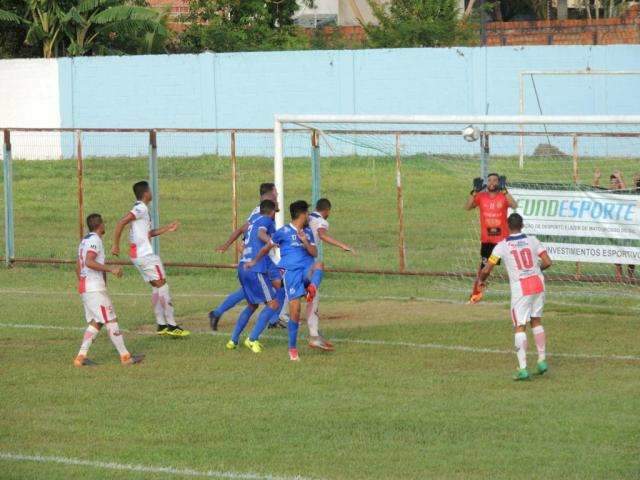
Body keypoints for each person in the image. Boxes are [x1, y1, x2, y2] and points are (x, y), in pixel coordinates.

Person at [479, 213, 552, 381]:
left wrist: (481, 281)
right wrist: (536, 271)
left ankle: (523, 369)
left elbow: (487, 268)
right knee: (536, 320)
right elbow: (548, 262)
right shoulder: (533, 240)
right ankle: (541, 361)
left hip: (521, 287)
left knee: (520, 326)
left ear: (507, 226)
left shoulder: (502, 246)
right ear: (523, 225)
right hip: (538, 283)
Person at [111, 181, 189, 337]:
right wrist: (115, 245)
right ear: (146, 193)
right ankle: (172, 326)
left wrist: (167, 228)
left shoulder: (142, 210)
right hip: (145, 255)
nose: (152, 193)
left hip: (138, 255)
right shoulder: (140, 208)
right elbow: (121, 222)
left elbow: (148, 233)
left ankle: (161, 325)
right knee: (163, 285)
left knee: (156, 286)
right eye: (150, 190)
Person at [247, 200, 323, 361]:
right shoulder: (283, 232)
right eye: (307, 213)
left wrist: (304, 242)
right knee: (295, 312)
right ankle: (292, 348)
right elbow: (267, 246)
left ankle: (312, 288)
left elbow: (314, 252)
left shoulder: (307, 232)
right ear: (302, 214)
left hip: (307, 270)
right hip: (291, 273)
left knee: (319, 264)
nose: (309, 215)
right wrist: (254, 261)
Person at [210, 182, 286, 330]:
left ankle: (217, 313)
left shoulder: (260, 211)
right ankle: (272, 320)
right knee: (281, 287)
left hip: (255, 257)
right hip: (261, 258)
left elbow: (245, 230)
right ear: (269, 194)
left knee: (248, 293)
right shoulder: (262, 212)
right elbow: (252, 233)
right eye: (276, 192)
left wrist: (229, 245)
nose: (277, 195)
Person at [74, 213, 144, 367]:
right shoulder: (95, 240)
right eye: (104, 223)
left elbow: (78, 266)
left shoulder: (84, 241)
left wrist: (84, 283)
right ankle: (125, 357)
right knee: (111, 320)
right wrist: (110, 269)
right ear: (100, 225)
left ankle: (80, 357)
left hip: (87, 288)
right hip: (93, 289)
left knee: (97, 322)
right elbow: (89, 261)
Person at [226, 200, 282, 352]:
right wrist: (273, 242)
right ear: (271, 211)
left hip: (243, 267)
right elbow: (261, 233)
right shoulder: (266, 220)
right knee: (273, 304)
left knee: (252, 305)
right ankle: (252, 339)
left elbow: (243, 235)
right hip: (255, 269)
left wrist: (226, 245)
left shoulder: (253, 220)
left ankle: (233, 340)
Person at [306, 198, 355, 351]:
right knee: (313, 297)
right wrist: (343, 246)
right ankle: (313, 336)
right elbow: (321, 234)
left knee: (286, 296)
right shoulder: (322, 221)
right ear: (327, 211)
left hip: (292, 260)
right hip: (307, 261)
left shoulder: (305, 217)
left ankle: (314, 334)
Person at [465, 173, 518, 303]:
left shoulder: (503, 196)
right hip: (488, 241)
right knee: (484, 270)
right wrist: (474, 192)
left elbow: (514, 205)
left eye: (495, 180)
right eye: (489, 180)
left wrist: (505, 191)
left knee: (514, 266)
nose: (492, 182)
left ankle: (521, 292)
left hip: (503, 242)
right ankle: (475, 296)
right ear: (486, 183)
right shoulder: (481, 197)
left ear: (499, 182)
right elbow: (467, 207)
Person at [593, 168, 635, 280]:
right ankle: (619, 275)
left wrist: (620, 178)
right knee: (616, 251)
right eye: (611, 183)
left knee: (630, 251)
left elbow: (626, 191)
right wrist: (596, 179)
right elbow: (595, 193)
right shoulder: (608, 194)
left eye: (615, 182)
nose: (613, 185)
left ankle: (630, 276)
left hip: (627, 228)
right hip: (614, 228)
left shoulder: (624, 194)